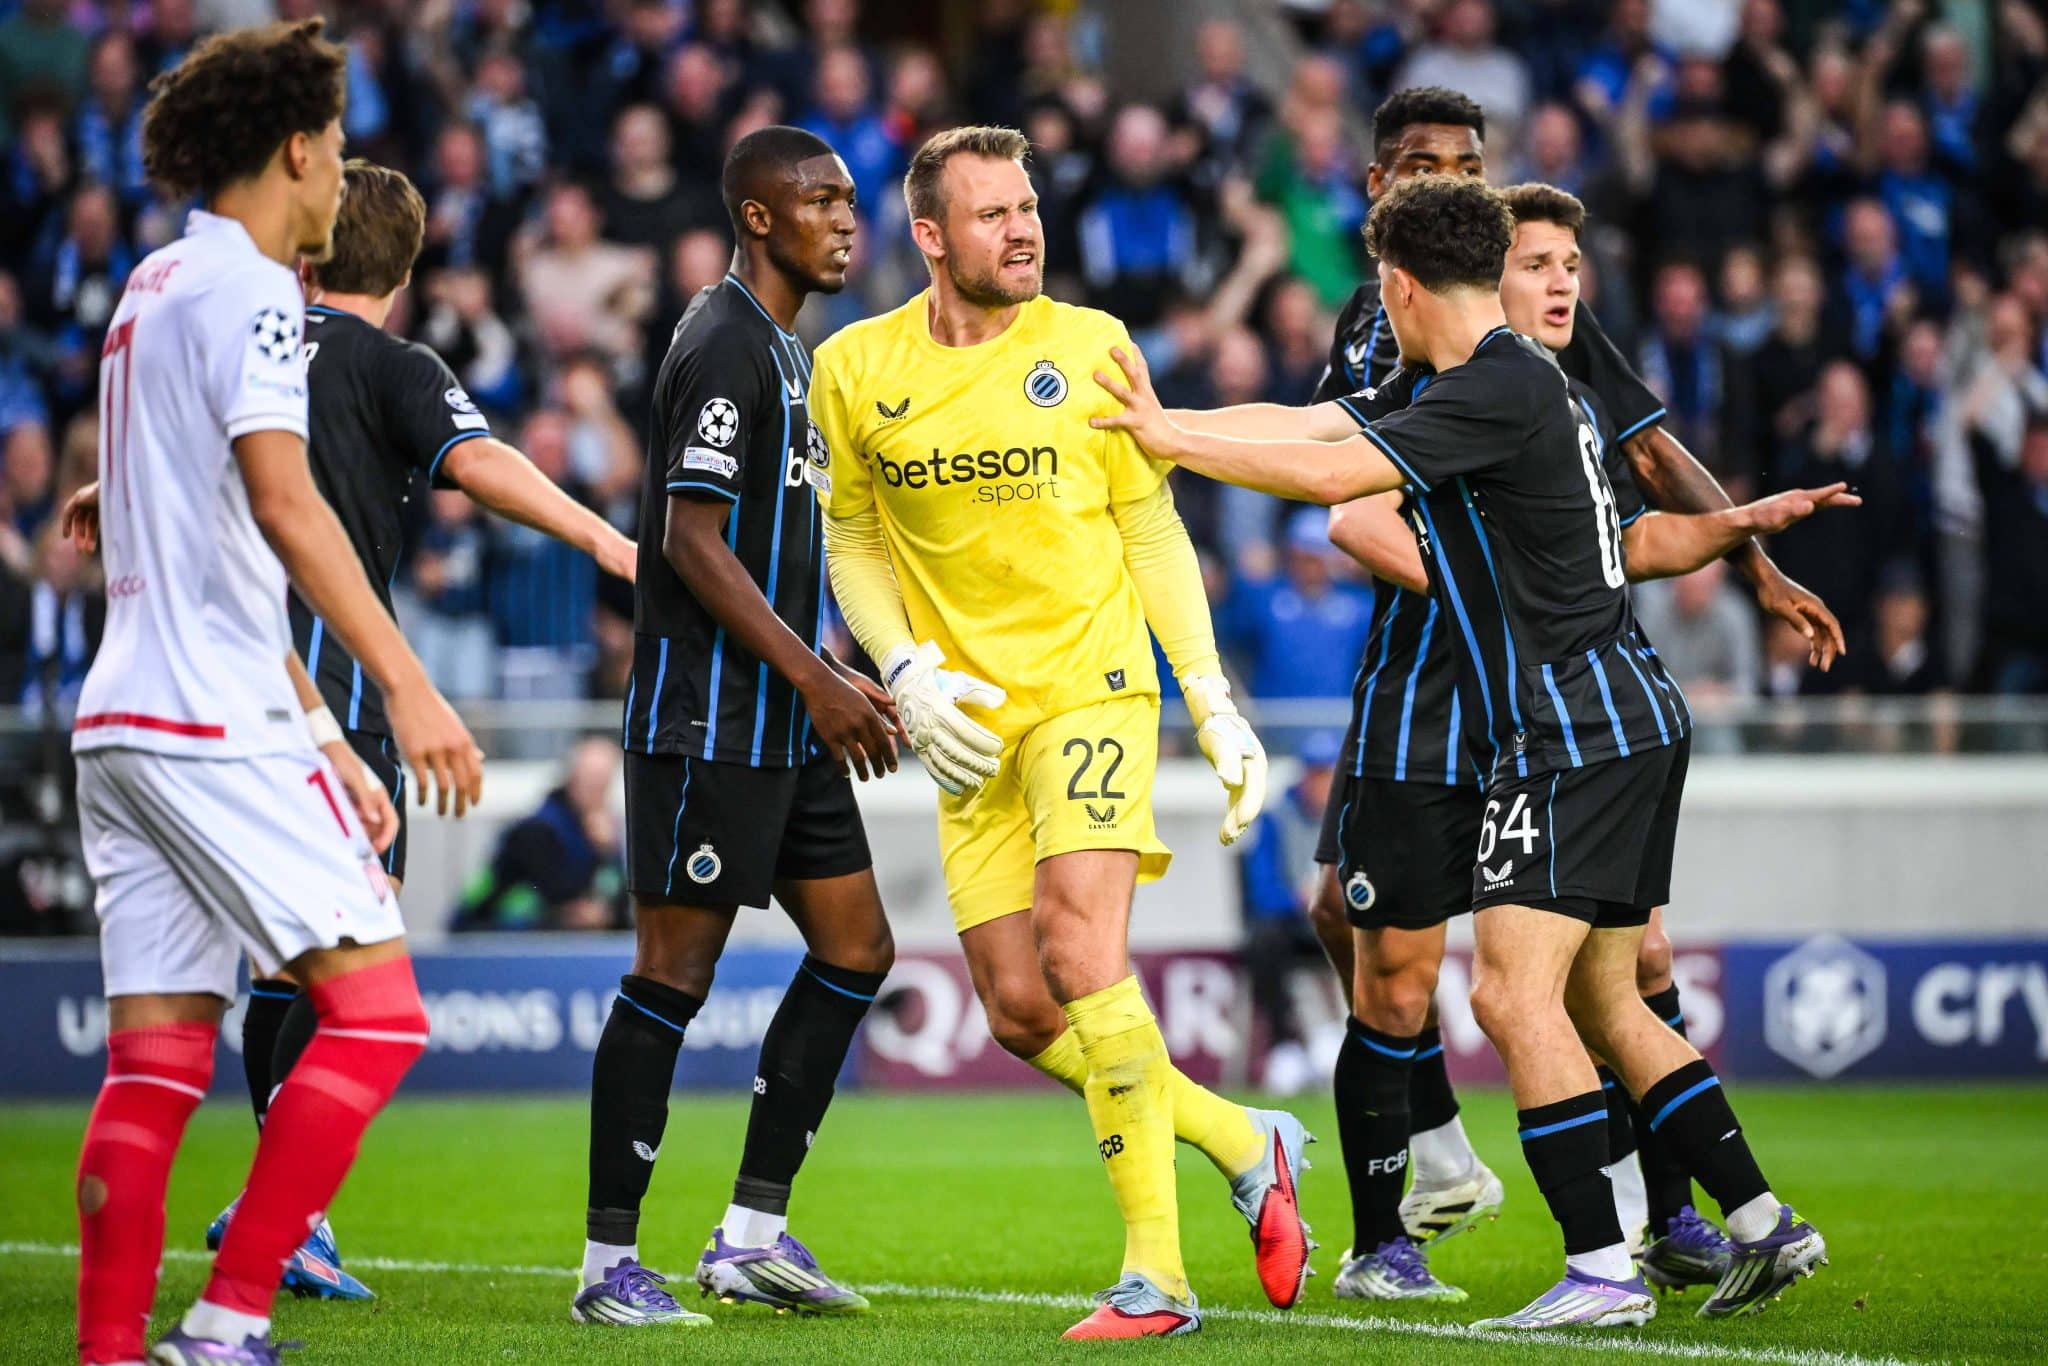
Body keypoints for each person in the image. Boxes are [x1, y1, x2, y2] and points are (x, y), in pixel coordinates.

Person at [1093, 174, 1841, 1330]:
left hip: (1566, 732)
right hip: (1624, 719)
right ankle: (1758, 1220)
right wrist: (1170, 421)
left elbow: (1338, 478)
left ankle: (1596, 1268)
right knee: (1605, 997)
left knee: (1504, 993)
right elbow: (1315, 429)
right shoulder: (1504, 388)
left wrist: (1165, 440)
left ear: (1396, 284)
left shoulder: (1493, 391)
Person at [1302, 87, 1846, 1298]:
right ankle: (1402, 1219)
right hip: (1436, 696)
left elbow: (1649, 461)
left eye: (1466, 162)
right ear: (1376, 187)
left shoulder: (1534, 319)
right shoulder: (1383, 320)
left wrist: (1751, 559)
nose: (1447, 180)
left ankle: (1656, 1227)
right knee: (1400, 953)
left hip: (1556, 697)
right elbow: (1344, 498)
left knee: (1606, 968)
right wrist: (1480, 582)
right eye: (1420, 164)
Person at [65, 156, 639, 1298]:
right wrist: (602, 540)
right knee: (363, 994)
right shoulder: (389, 363)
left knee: (236, 1001)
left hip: (171, 701)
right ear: (409, 269)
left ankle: (216, 1258)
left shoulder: (226, 326)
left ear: (311, 253)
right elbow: (478, 461)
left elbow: (186, 462)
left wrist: (112, 487)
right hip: (324, 709)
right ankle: (280, 1217)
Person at [812, 124, 1304, 1341]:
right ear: (929, 237)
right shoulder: (852, 368)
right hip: (965, 722)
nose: (1021, 228)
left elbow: (1151, 533)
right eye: (991, 214)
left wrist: (1211, 700)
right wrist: (907, 672)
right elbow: (852, 536)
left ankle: (1158, 1277)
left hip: (1091, 688)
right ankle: (1246, 1140)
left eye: (1026, 206)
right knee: (1022, 1010)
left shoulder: (1091, 348)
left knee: (1082, 954)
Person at [65, 21, 480, 1365]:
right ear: (298, 149)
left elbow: (172, 509)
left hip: (122, 722)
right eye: (338, 150)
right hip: (208, 720)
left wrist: (323, 725)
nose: (338, 176)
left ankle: (113, 1349)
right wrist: (406, 691)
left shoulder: (150, 281)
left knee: (155, 1059)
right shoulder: (250, 289)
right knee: (380, 1016)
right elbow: (288, 504)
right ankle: (229, 1318)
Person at [576, 125, 901, 1328]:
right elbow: (688, 541)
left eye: (849, 200)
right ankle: (608, 1265)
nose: (843, 218)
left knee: (859, 948)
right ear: (756, 216)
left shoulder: (781, 353)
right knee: (673, 973)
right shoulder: (721, 344)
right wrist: (818, 680)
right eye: (818, 200)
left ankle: (750, 1235)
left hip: (780, 718)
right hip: (708, 718)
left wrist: (825, 677)